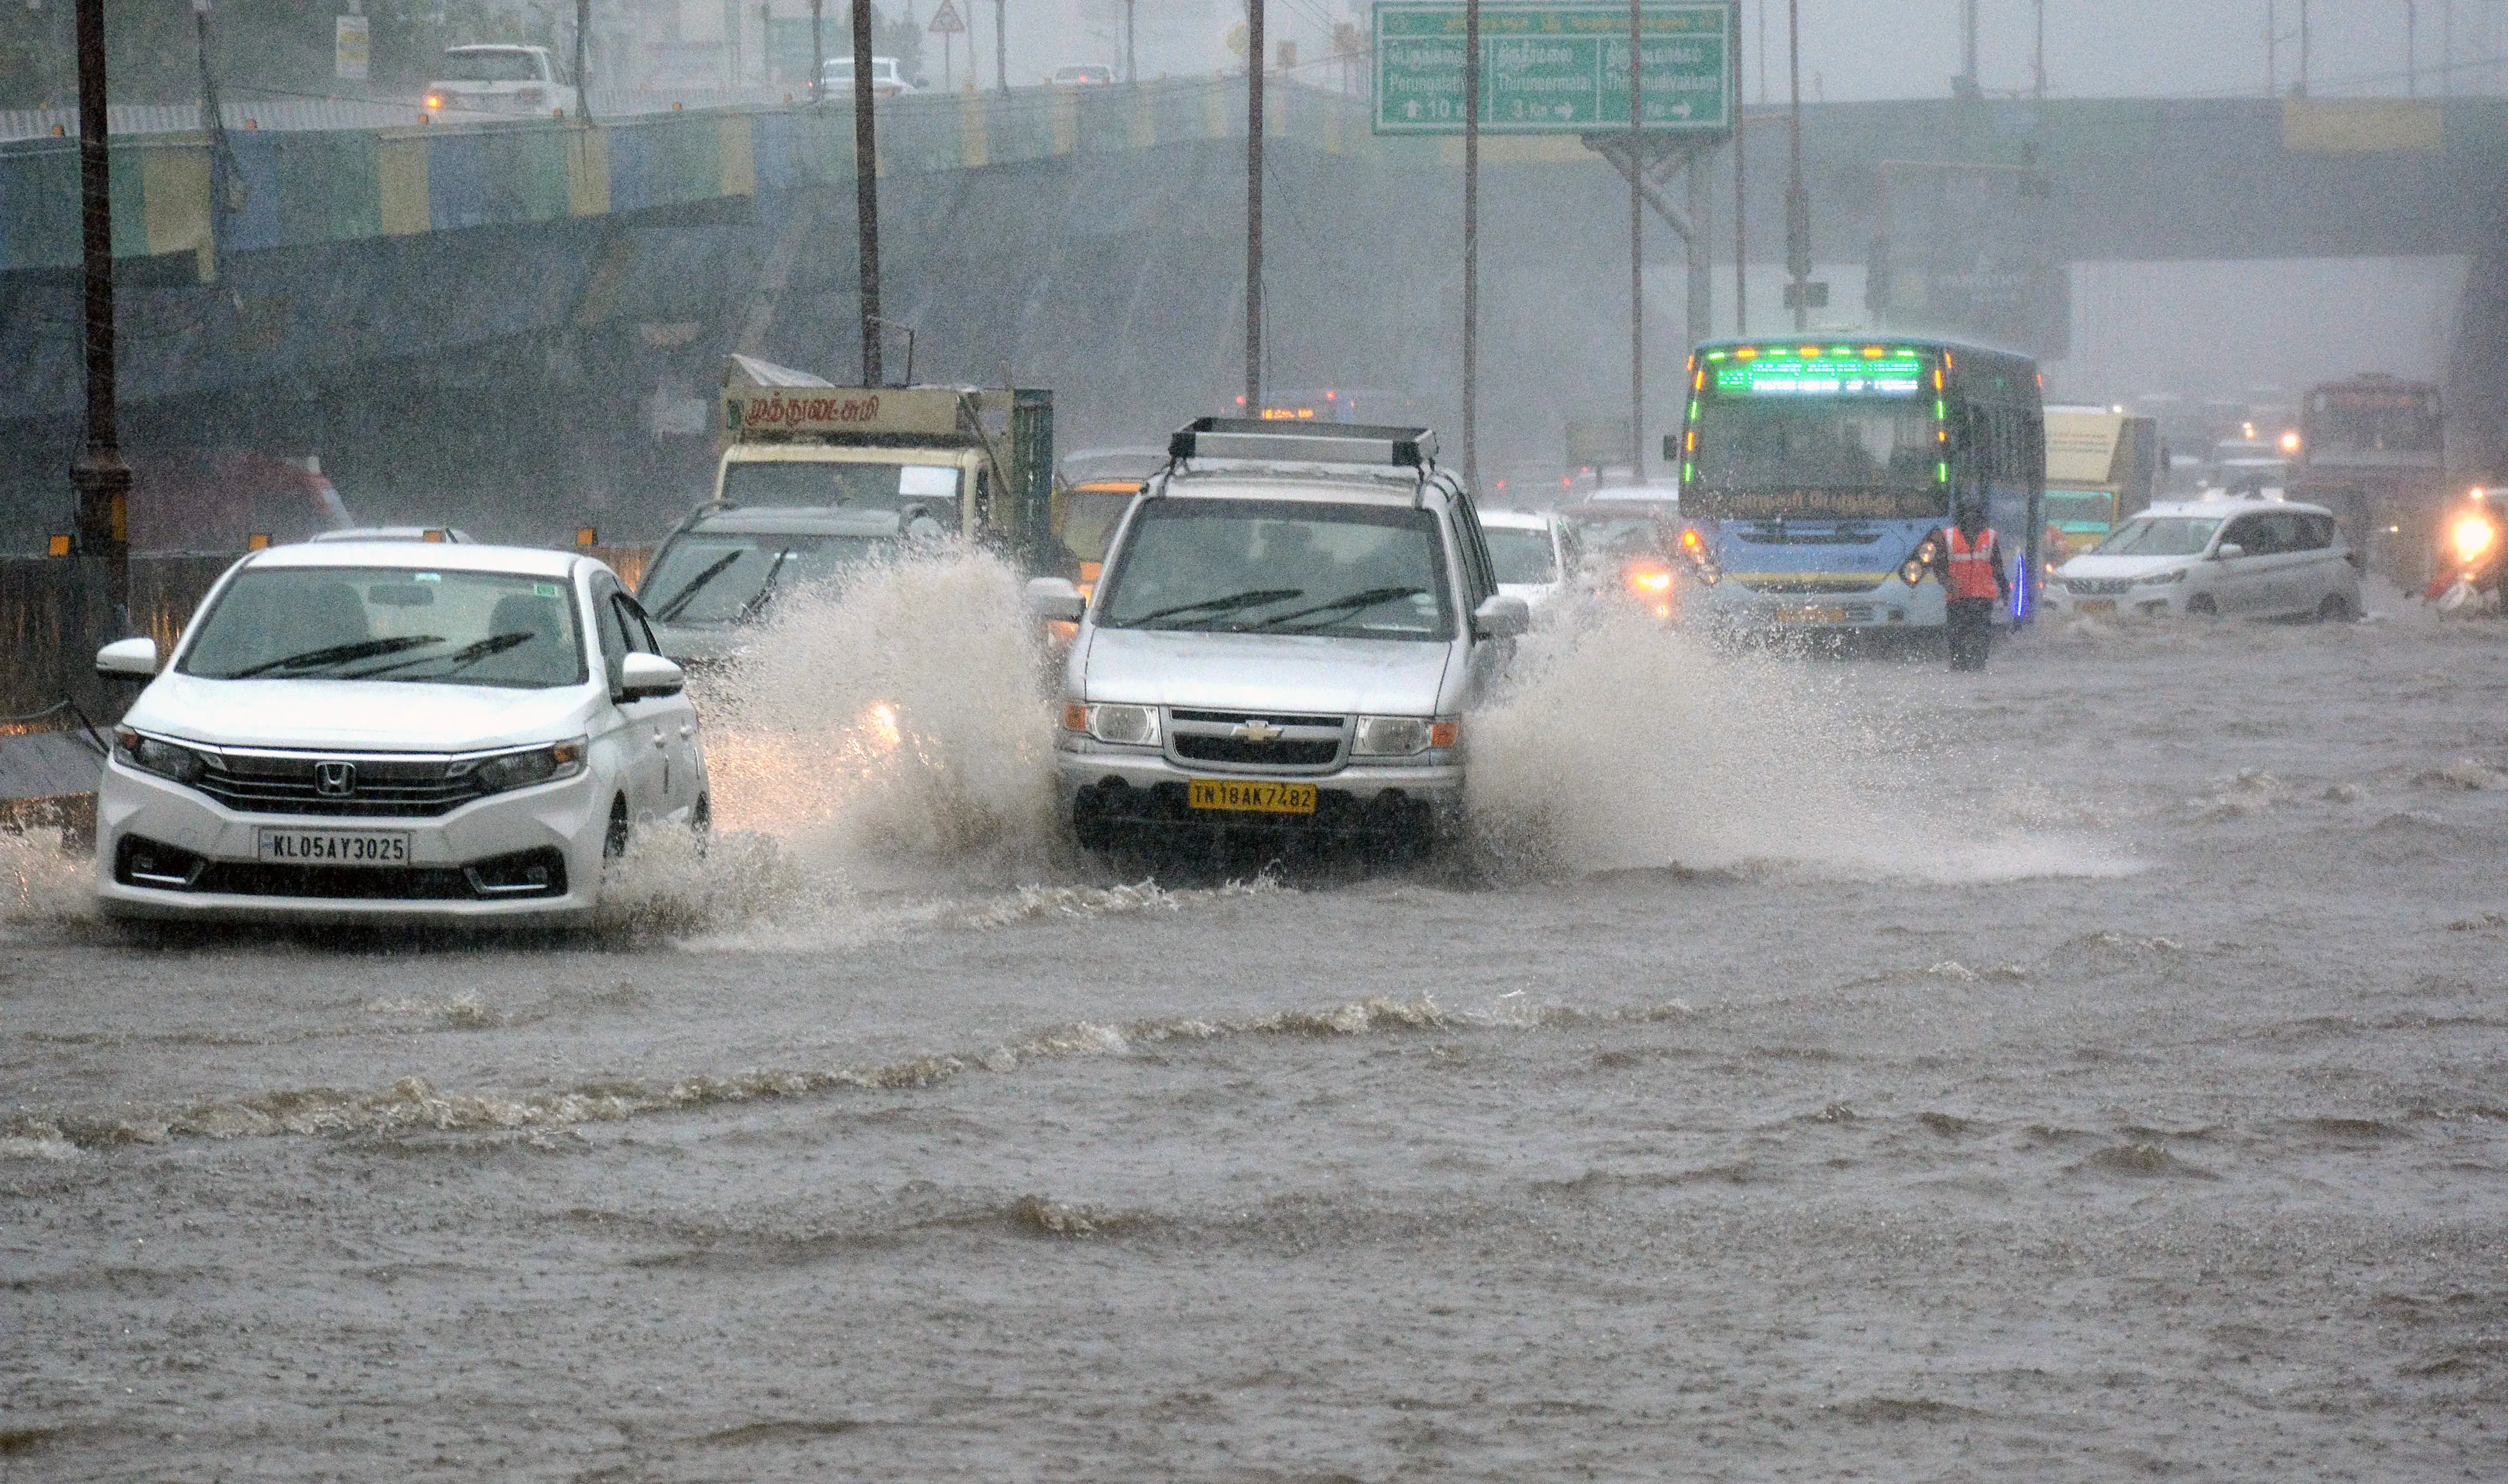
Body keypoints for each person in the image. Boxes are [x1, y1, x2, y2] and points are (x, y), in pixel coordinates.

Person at [1928, 498, 2011, 671]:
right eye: (1967, 515)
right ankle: (1959, 666)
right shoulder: (1948, 537)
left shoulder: (1990, 537)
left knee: (1982, 637)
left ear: (1981, 518)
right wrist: (1948, 584)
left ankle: (1978, 666)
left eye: (1975, 516)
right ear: (1961, 518)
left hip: (1983, 599)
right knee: (1956, 638)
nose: (1971, 519)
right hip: (1958, 599)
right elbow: (1939, 567)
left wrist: (2005, 590)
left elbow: (1998, 567)